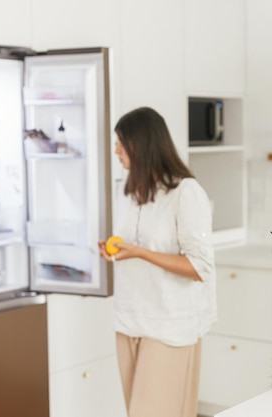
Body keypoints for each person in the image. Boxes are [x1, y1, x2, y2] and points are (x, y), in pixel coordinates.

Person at [98, 106, 217, 417]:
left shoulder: (185, 193)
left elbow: (199, 267)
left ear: (141, 144)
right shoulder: (128, 193)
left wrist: (139, 252)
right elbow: (131, 245)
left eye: (120, 143)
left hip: (169, 324)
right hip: (129, 318)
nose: (116, 150)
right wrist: (115, 250)